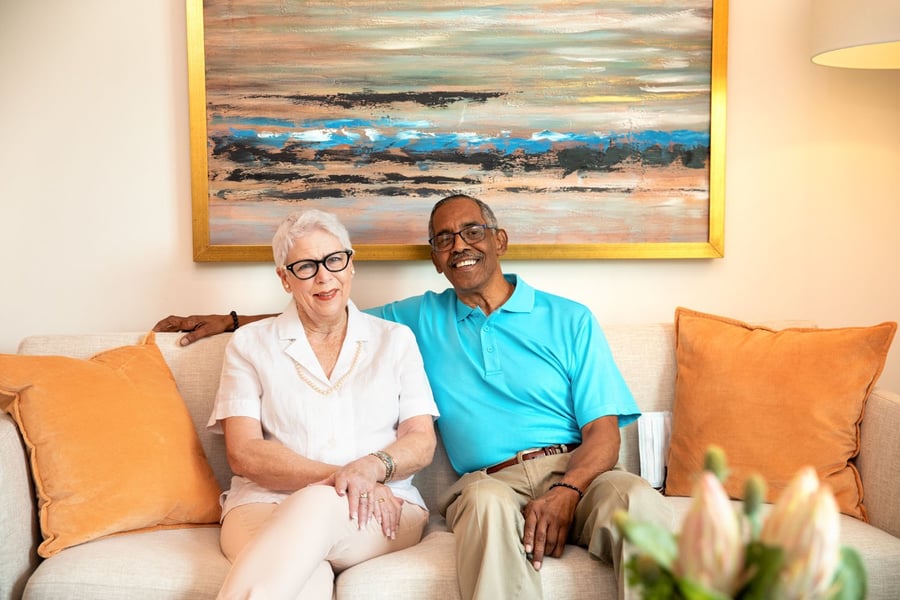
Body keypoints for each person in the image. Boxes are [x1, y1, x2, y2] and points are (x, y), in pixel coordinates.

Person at [155, 194, 673, 599]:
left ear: (500, 240)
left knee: (639, 503)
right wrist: (231, 320)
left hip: (580, 470)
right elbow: (323, 311)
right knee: (484, 508)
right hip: (490, 481)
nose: (459, 245)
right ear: (435, 258)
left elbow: (604, 435)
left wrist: (568, 491)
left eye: (472, 231)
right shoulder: (419, 319)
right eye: (444, 239)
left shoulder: (570, 318)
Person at [206, 209, 439, 600]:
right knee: (305, 579)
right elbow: (243, 452)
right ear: (284, 278)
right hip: (264, 503)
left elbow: (421, 440)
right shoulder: (249, 344)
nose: (324, 276)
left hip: (380, 506)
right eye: (306, 266)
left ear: (351, 264)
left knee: (314, 506)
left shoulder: (396, 340)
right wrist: (347, 477)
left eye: (334, 260)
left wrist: (372, 469)